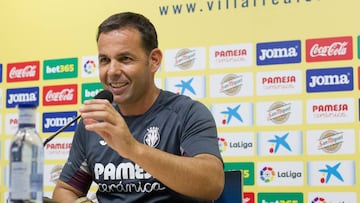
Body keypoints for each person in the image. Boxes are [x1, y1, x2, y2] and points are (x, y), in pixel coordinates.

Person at [52, 12, 224, 203]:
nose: (112, 71)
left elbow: (211, 183)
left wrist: (132, 148)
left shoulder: (187, 113)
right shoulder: (95, 121)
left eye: (125, 58)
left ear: (154, 60)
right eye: (104, 60)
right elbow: (66, 189)